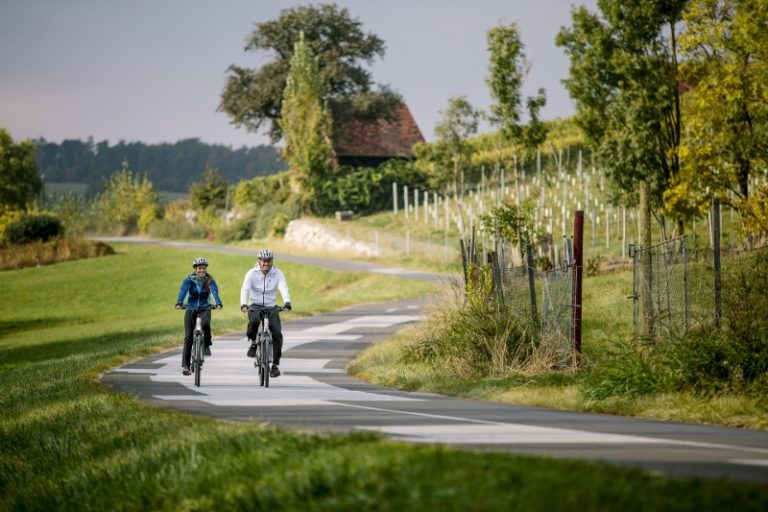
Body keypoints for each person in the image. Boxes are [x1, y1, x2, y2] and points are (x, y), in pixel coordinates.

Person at [240, 249, 292, 378]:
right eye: (264, 261)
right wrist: (244, 303)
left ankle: (274, 365)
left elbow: (283, 288)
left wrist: (287, 302)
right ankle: (253, 342)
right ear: (259, 261)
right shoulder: (251, 273)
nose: (266, 264)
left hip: (271, 307)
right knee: (253, 322)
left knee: (277, 334)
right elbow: (245, 289)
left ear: (271, 261)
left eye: (268, 261)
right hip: (255, 305)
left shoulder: (278, 273)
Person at [175, 257, 223, 376]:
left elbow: (214, 291)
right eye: (199, 268)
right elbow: (183, 291)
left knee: (206, 324)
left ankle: (206, 344)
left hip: (205, 307)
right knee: (188, 337)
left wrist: (218, 303)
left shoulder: (209, 280)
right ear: (195, 269)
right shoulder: (188, 280)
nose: (202, 270)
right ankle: (186, 365)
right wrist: (179, 302)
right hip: (190, 308)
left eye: (204, 268)